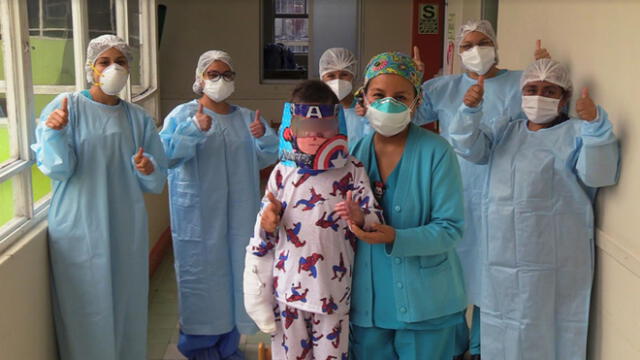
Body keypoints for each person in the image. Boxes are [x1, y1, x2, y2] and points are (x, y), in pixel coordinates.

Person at [449, 58, 620, 360]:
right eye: (532, 89)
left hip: (553, 260)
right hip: (501, 258)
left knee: (548, 329)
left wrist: (595, 126)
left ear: (564, 97)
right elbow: (468, 148)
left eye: (549, 91)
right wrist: (469, 111)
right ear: (521, 94)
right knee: (501, 328)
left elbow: (598, 175)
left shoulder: (576, 133)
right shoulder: (506, 130)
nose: (539, 95)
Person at [415, 20, 550, 359]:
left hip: (505, 196)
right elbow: (409, 118)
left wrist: (544, 77)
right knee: (451, 276)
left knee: (492, 276)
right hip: (453, 193)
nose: (475, 50)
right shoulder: (442, 88)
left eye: (482, 42)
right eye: (467, 45)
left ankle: (480, 349)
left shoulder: (520, 82)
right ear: (458, 53)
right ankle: (453, 346)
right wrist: (412, 81)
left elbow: (545, 119)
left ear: (495, 44)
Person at [31, 34, 168, 360]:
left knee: (127, 305)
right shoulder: (67, 107)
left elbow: (157, 179)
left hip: (125, 225)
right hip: (80, 227)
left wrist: (146, 167)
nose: (113, 68)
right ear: (91, 68)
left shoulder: (136, 117)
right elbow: (57, 169)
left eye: (120, 61)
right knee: (85, 309)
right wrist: (54, 132)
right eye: (104, 62)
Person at [243, 80, 382, 359]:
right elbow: (262, 234)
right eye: (307, 128)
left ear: (337, 126)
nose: (317, 135)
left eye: (325, 129)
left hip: (334, 295)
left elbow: (375, 220)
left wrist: (360, 216)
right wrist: (267, 223)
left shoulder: (352, 170)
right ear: (292, 129)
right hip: (287, 293)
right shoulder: (282, 172)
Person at [160, 50, 279, 360]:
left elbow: (268, 157)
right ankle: (199, 348)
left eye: (226, 74)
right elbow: (166, 157)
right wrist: (192, 131)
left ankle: (229, 346)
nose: (220, 80)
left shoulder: (246, 118)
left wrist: (263, 137)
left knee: (237, 277)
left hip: (239, 215)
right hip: (197, 218)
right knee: (201, 279)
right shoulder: (182, 116)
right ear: (200, 79)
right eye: (213, 74)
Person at [348, 51, 466, 360]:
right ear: (365, 99)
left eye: (401, 96)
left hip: (426, 303)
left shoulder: (437, 152)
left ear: (416, 101)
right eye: (379, 94)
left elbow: (451, 229)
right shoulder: (354, 155)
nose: (389, 103)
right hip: (369, 307)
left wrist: (397, 237)